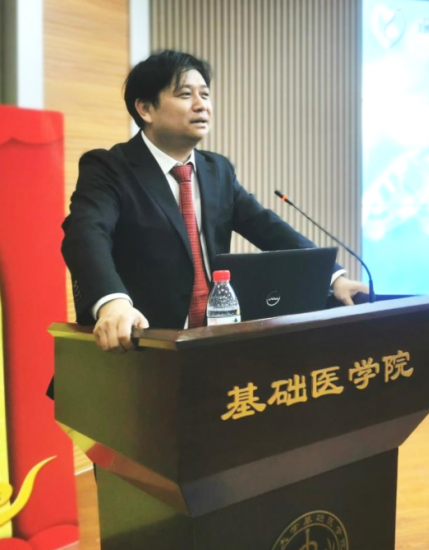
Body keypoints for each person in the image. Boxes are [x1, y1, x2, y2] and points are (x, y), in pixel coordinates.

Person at [61, 50, 368, 354]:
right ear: (145, 109)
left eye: (205, 95)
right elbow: (86, 235)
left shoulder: (217, 170)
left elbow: (268, 228)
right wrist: (113, 302)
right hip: (142, 345)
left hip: (213, 343)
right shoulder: (110, 168)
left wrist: (332, 276)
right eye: (185, 94)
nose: (202, 105)